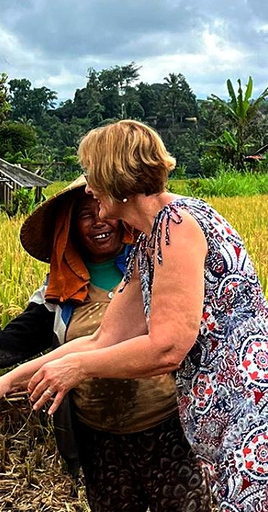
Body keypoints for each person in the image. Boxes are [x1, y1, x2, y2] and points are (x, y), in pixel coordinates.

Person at [0, 120, 268, 512]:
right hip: (232, 422)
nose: (91, 190)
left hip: (263, 412)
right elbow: (103, 339)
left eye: (93, 177)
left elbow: (167, 348)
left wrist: (79, 368)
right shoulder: (150, 240)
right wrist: (9, 380)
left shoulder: (178, 226)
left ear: (117, 176)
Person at [0, 176, 210, 511]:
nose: (98, 220)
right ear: (69, 228)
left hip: (167, 426)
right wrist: (6, 381)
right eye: (85, 215)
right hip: (99, 435)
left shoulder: (153, 261)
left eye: (102, 208)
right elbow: (17, 338)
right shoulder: (60, 287)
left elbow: (174, 340)